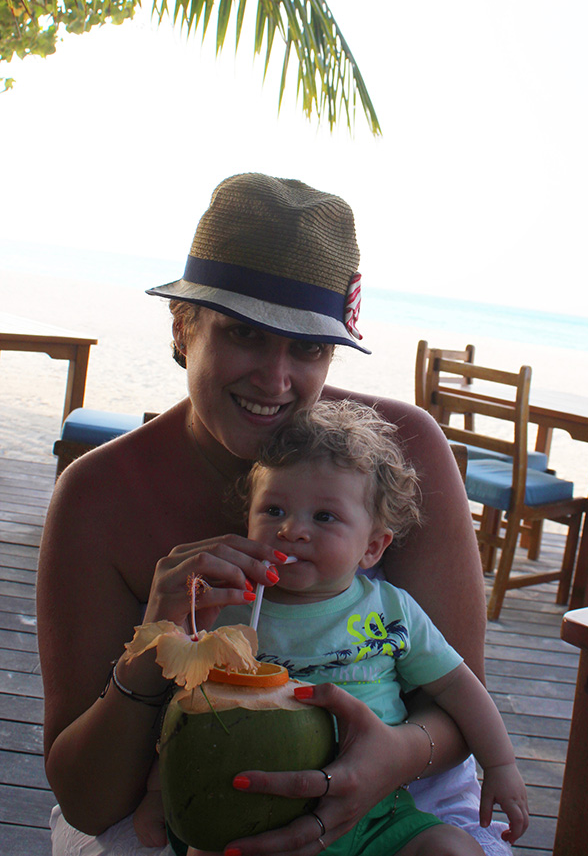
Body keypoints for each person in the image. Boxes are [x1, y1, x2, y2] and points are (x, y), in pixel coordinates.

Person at [38, 172, 510, 856]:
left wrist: (390, 758)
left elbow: (459, 699)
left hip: (401, 796)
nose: (275, 378)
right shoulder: (98, 494)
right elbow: (88, 800)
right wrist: (152, 648)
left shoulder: (400, 452)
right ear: (183, 326)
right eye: (244, 333)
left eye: (308, 347)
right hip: (183, 800)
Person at [133, 400, 529, 855]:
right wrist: (159, 793)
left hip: (375, 812)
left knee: (451, 849)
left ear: (373, 548)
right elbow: (186, 706)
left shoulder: (390, 611)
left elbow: (458, 685)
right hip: (251, 814)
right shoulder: (228, 609)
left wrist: (500, 764)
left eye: (324, 517)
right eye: (273, 510)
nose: (292, 530)